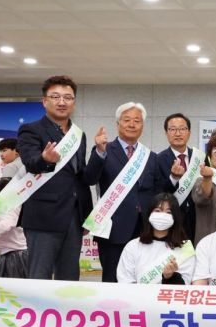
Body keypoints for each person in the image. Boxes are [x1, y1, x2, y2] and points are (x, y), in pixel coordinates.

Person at [16, 75, 93, 281]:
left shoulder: (79, 135)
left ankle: (66, 314)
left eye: (68, 97)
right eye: (56, 96)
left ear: (74, 102)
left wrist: (100, 155)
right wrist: (45, 159)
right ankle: (35, 314)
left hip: (75, 215)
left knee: (69, 277)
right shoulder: (31, 130)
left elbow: (79, 173)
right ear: (44, 101)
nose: (62, 102)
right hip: (44, 214)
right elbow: (31, 162)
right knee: (39, 275)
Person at [83, 102, 161, 283]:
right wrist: (99, 153)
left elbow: (157, 192)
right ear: (118, 124)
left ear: (142, 125)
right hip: (113, 229)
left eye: (137, 121)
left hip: (144, 229)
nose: (132, 124)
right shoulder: (104, 150)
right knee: (112, 278)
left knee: (143, 278)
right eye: (127, 120)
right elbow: (89, 179)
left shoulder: (150, 157)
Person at [116, 193, 194, 284]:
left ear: (175, 217)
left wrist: (169, 277)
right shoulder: (133, 246)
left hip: (167, 297)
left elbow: (185, 285)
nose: (162, 215)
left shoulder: (185, 248)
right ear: (149, 214)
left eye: (168, 212)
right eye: (157, 210)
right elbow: (125, 280)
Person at [157, 113, 197, 241]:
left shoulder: (199, 158)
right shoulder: (158, 159)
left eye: (182, 129)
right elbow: (157, 192)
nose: (178, 133)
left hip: (197, 220)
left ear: (189, 133)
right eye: (173, 129)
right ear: (166, 133)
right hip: (171, 220)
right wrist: (173, 178)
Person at [0, 178, 28, 278]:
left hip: (14, 256)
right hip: (14, 254)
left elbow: (6, 225)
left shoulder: (9, 206)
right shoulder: (17, 204)